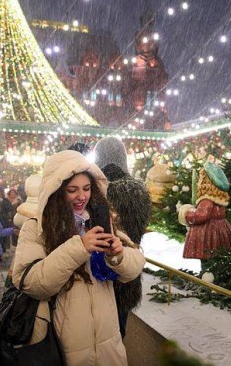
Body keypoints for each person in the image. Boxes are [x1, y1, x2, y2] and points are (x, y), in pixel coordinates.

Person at [12, 150, 145, 365]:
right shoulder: (37, 228)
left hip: (108, 344)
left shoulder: (101, 221)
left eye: (86, 188)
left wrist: (118, 255)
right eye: (72, 190)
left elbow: (134, 267)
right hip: (63, 346)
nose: (81, 196)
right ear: (56, 191)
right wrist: (78, 248)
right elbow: (31, 282)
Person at [94, 136, 151, 338]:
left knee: (99, 336)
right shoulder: (139, 190)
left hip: (99, 273)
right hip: (128, 272)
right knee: (119, 333)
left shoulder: (97, 190)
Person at [178, 157, 231, 259]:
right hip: (220, 230)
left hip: (208, 233)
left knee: (208, 255)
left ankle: (206, 271)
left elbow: (201, 215)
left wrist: (186, 213)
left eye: (200, 179)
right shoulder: (219, 200)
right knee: (217, 256)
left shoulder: (207, 200)